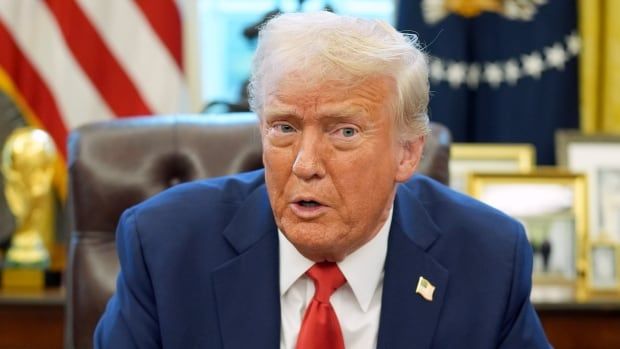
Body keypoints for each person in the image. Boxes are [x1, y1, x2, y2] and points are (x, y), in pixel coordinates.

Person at [94, 11, 550, 349]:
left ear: (407, 152)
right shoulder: (165, 246)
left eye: (344, 132)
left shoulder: (487, 258)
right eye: (285, 128)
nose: (305, 164)